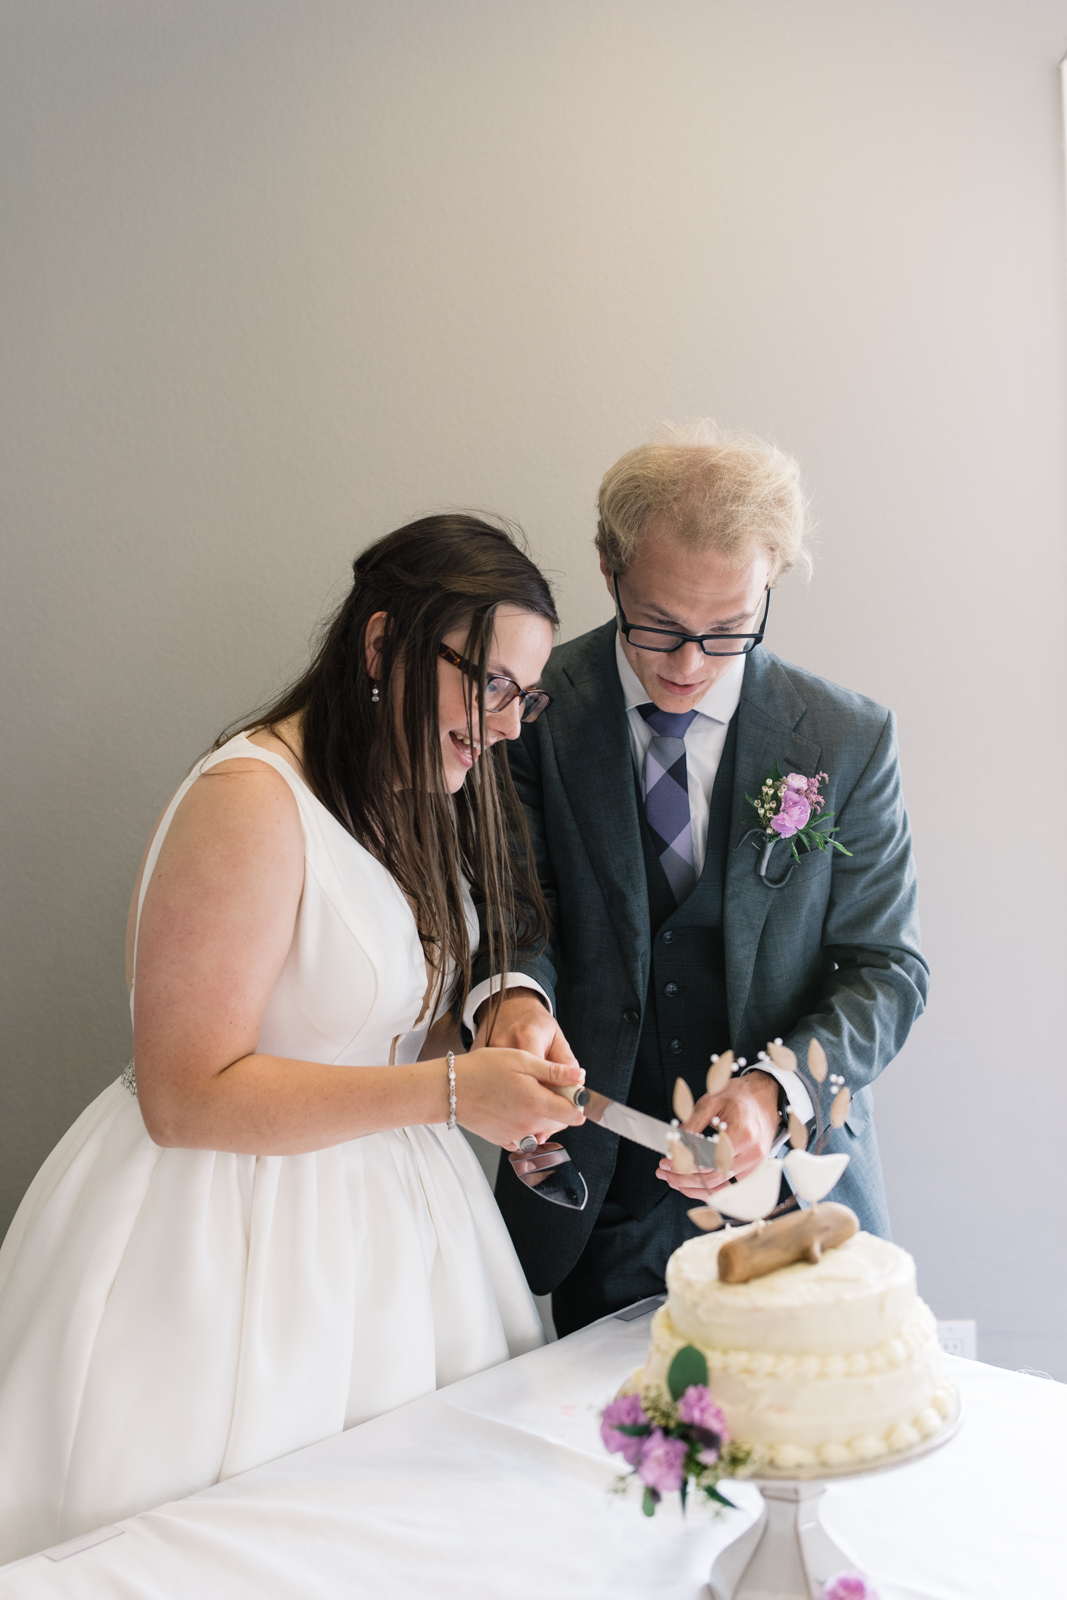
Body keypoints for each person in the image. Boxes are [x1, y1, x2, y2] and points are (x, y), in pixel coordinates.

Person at [0, 515, 586, 1563]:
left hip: (394, 1248)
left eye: (521, 697)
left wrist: (505, 1058)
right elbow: (186, 1094)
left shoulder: (406, 800)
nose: (504, 726)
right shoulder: (247, 799)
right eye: (487, 685)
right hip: (221, 1248)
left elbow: (372, 1022)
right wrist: (454, 1094)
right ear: (378, 646)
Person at [469, 425, 929, 1336]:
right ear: (608, 569)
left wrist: (773, 1092)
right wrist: (512, 1000)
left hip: (796, 1198)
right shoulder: (531, 715)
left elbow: (886, 970)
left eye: (727, 631)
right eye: (660, 628)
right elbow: (514, 914)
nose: (689, 666)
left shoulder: (845, 739)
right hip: (595, 1191)